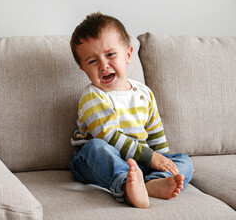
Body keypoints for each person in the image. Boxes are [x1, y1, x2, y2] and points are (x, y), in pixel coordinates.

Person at [69, 12, 193, 208]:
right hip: (97, 161)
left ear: (127, 55)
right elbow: (108, 135)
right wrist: (150, 157)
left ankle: (152, 183)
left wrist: (162, 160)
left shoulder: (144, 93)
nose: (103, 65)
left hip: (140, 162)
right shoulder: (92, 96)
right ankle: (127, 186)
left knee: (183, 161)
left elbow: (155, 134)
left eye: (110, 55)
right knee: (96, 148)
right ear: (83, 68)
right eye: (92, 61)